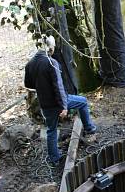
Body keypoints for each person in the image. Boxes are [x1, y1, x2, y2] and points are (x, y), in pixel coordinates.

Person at [24, 35, 97, 166]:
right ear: (50, 48)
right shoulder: (52, 63)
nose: (53, 51)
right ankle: (90, 129)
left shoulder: (30, 64)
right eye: (52, 48)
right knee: (83, 101)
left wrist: (42, 87)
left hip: (44, 104)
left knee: (51, 129)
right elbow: (58, 87)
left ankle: (54, 158)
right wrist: (63, 106)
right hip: (58, 102)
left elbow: (28, 84)